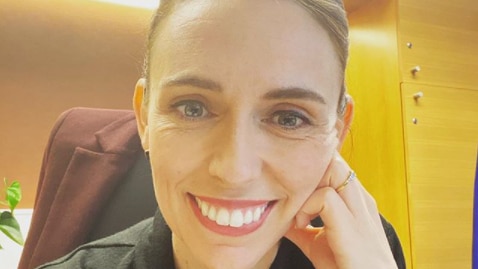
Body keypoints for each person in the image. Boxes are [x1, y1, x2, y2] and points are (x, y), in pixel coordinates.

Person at [37, 0, 406, 268]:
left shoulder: (368, 252)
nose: (234, 170)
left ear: (336, 132)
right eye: (192, 108)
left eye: (289, 118)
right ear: (145, 118)